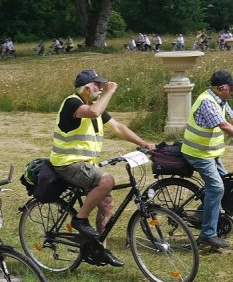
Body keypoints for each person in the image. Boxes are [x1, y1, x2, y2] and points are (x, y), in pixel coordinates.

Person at [50, 69, 155, 266]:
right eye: (97, 85)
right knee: (107, 180)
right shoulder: (73, 102)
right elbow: (93, 112)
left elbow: (118, 127)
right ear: (87, 88)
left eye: (101, 85)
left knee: (106, 204)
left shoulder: (94, 106)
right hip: (67, 163)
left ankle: (101, 249)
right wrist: (110, 92)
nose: (100, 88)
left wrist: (144, 143)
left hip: (85, 164)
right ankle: (80, 220)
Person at [181, 70, 233, 249]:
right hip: (198, 154)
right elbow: (225, 125)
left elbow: (231, 118)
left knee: (226, 184)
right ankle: (207, 235)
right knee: (217, 188)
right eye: (230, 88)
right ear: (222, 88)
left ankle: (200, 214)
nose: (231, 91)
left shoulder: (220, 100)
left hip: (210, 153)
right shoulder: (207, 102)